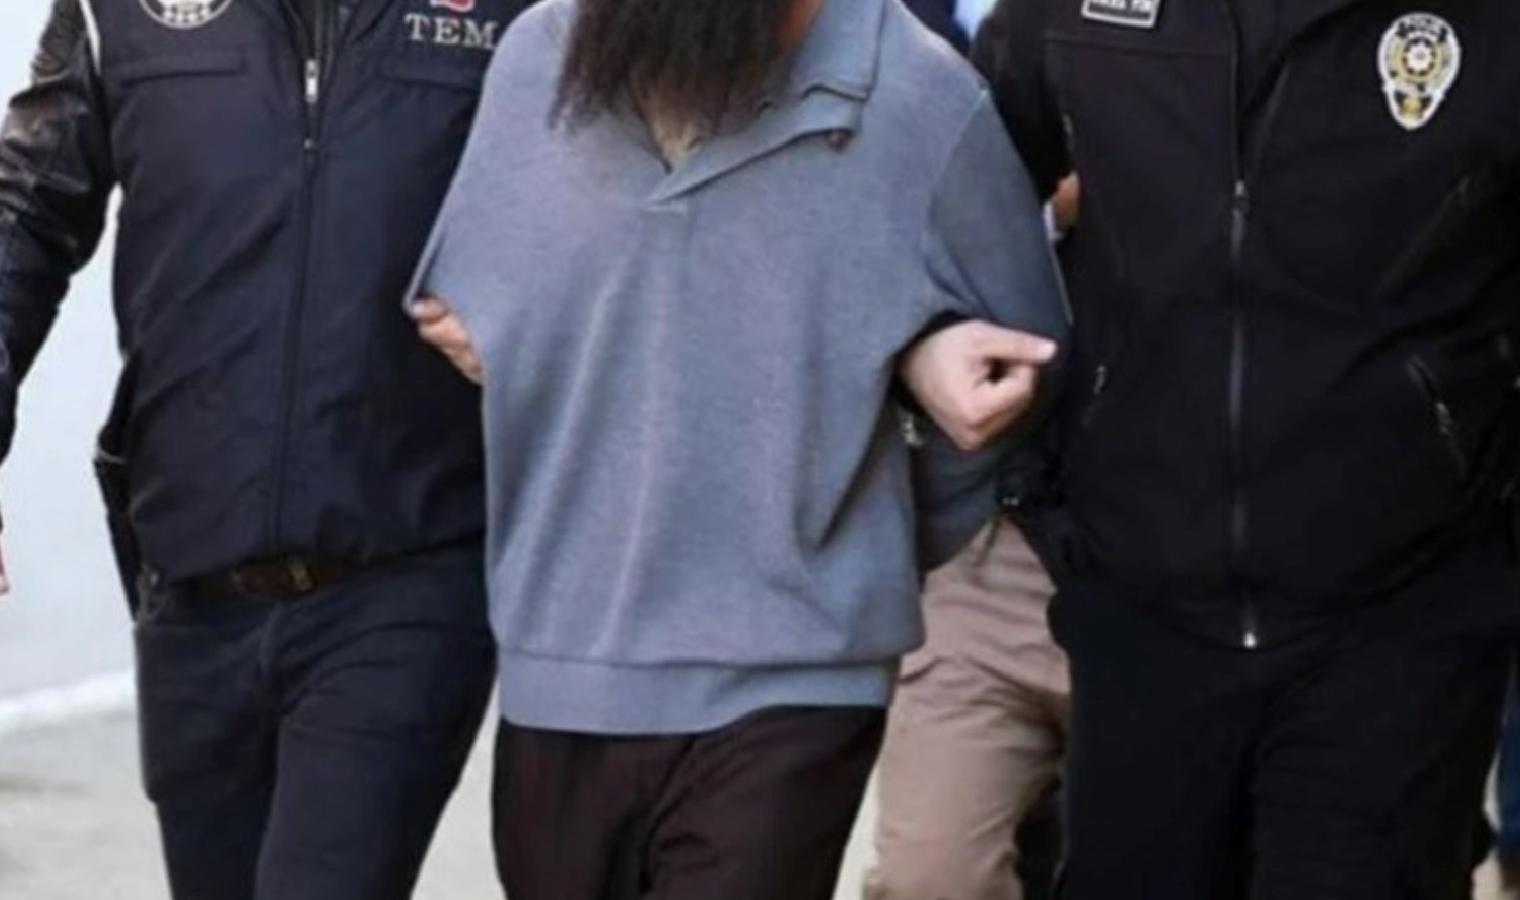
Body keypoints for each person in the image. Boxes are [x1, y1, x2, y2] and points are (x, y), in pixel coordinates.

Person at [407, 0, 1070, 896]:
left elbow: (1020, 370)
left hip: (799, 677)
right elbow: (462, 309)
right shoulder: (538, 55)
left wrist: (861, 535)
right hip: (559, 666)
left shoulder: (922, 95)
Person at [966, 0, 1520, 897]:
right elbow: (947, 203)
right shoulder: (1073, 15)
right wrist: (1026, 464)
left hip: (1404, 620)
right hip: (1140, 615)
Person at [0, 0, 537, 896]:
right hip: (189, 582)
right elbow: (25, 213)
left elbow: (610, 204)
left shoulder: (518, 15)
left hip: (409, 571)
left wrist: (532, 330)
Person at [866, 2, 1072, 899]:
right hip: (987, 543)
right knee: (930, 872)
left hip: (1184, 557)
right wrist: (917, 344)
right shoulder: (880, 39)